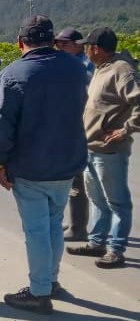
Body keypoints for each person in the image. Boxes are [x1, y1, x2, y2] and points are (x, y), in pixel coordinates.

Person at [0, 15, 88, 314]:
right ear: (53, 40)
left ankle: (39, 292)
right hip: (67, 163)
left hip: (30, 166)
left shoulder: (14, 74)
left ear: (20, 42)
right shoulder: (76, 68)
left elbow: (1, 125)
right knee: (54, 223)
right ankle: (51, 280)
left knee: (37, 231)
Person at [67, 27, 139, 268]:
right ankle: (97, 242)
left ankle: (116, 250)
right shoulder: (102, 68)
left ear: (96, 49)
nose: (85, 50)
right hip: (91, 146)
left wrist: (125, 130)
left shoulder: (121, 69)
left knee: (117, 202)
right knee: (96, 199)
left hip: (110, 150)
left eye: (87, 46)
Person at [53, 27, 94, 242]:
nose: (60, 48)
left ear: (78, 45)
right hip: (70, 127)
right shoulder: (71, 64)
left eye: (64, 44)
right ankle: (75, 222)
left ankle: (79, 228)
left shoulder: (84, 67)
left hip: (81, 128)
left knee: (78, 179)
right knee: (70, 179)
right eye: (57, 44)